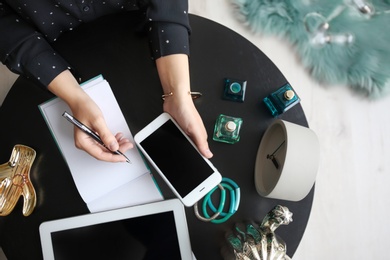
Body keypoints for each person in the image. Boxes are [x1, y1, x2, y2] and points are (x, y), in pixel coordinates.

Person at [0, 0, 213, 162]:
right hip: (57, 56)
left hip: (143, 33)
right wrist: (76, 99)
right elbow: (10, 34)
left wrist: (179, 95)